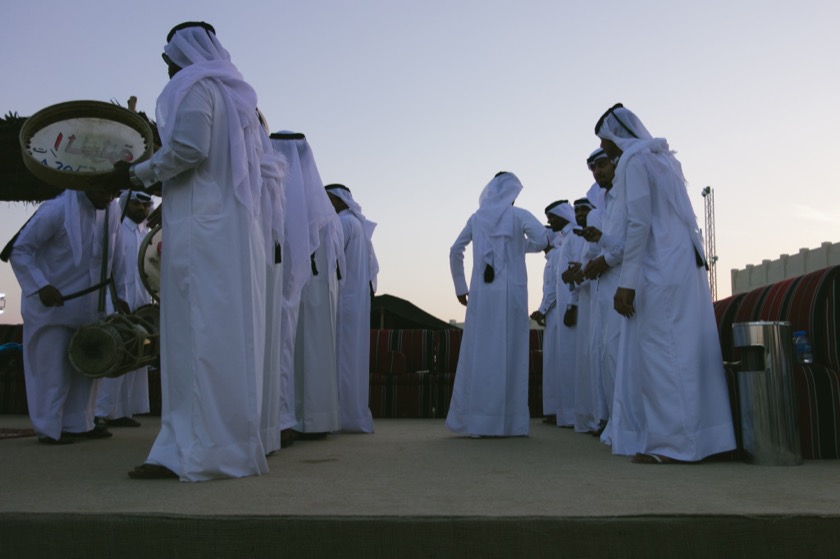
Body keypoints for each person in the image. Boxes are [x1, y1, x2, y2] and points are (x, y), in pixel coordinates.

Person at [104, 22, 271, 480]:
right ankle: (224, 446)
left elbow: (189, 148)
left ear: (176, 55)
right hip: (229, 230)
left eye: (167, 56)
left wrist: (136, 174)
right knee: (221, 336)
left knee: (195, 336)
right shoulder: (237, 99)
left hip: (203, 231)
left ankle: (194, 452)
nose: (166, 64)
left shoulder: (194, 86)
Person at [594, 103, 735, 463]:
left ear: (616, 136)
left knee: (663, 354)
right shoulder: (664, 160)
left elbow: (638, 225)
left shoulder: (634, 162)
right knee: (687, 352)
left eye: (604, 141)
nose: (604, 149)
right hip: (684, 268)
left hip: (658, 269)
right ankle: (707, 439)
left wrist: (627, 283)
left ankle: (673, 446)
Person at [6, 186, 126, 444]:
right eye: (104, 192)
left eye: (114, 193)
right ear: (89, 183)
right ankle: (49, 429)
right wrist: (41, 286)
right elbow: (19, 250)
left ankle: (80, 424)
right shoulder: (55, 209)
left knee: (87, 367)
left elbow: (118, 258)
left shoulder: (112, 210)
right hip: (53, 307)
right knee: (52, 370)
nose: (108, 198)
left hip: (90, 306)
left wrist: (122, 298)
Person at [446, 172, 549, 438]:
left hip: (482, 294)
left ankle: (478, 424)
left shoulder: (476, 218)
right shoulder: (519, 216)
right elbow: (542, 239)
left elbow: (455, 249)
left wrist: (461, 287)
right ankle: (510, 424)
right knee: (511, 353)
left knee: (481, 352)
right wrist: (520, 248)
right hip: (512, 293)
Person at [269, 132, 321, 447]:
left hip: (278, 288)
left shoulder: (280, 188)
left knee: (278, 351)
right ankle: (279, 420)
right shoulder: (297, 195)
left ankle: (281, 420)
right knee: (281, 351)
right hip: (280, 288)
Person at [94, 191, 155, 428]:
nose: (142, 208)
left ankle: (124, 411)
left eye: (146, 205)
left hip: (141, 303)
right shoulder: (117, 229)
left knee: (136, 358)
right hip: (117, 301)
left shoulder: (145, 234)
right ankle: (102, 410)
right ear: (126, 204)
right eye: (137, 204)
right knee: (116, 354)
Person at [325, 183, 378, 434]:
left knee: (342, 360)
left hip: (343, 301)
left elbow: (328, 260)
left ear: (338, 200)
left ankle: (341, 415)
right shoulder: (357, 225)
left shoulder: (343, 223)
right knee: (352, 360)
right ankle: (352, 413)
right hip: (356, 302)